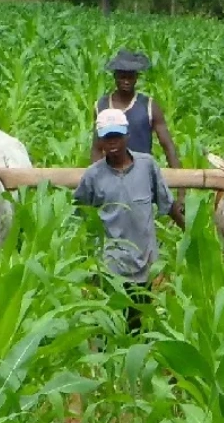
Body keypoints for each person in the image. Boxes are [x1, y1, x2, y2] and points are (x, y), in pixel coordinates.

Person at [74, 107, 185, 334]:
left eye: (116, 136)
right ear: (100, 141)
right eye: (107, 138)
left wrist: (190, 232)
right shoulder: (93, 176)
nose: (112, 143)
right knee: (112, 330)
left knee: (141, 328)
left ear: (127, 136)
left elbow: (166, 203)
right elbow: (80, 214)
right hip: (112, 267)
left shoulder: (147, 166)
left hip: (145, 264)